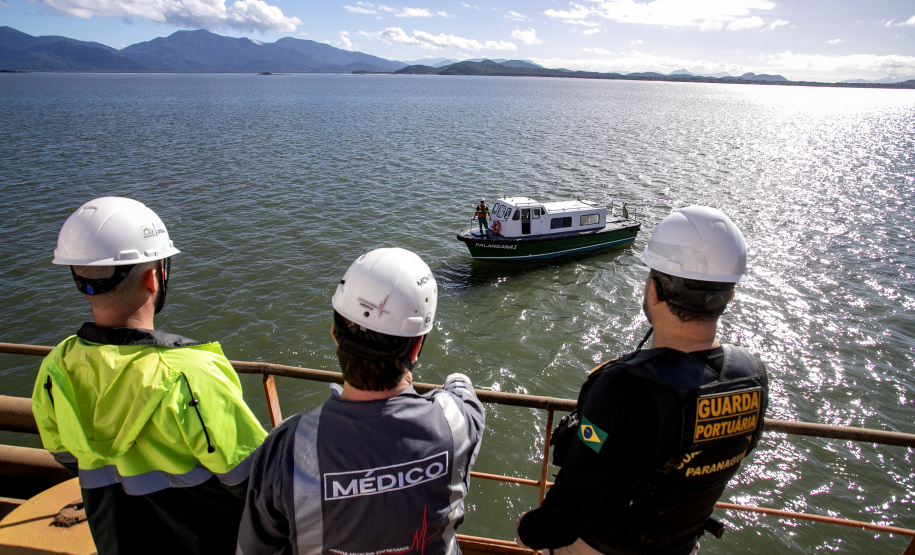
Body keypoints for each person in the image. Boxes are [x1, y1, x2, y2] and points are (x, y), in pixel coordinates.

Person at [516, 206, 769, 555]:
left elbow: (567, 515)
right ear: (729, 296)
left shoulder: (623, 387)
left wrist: (528, 530)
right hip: (681, 546)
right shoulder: (752, 374)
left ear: (653, 290)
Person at [31, 196, 267, 555]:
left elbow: (65, 455)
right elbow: (255, 480)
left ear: (79, 278)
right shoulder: (189, 374)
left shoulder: (56, 368)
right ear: (154, 278)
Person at [237, 247, 485, 555]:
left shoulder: (284, 450)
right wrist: (458, 379)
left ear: (333, 333)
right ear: (416, 348)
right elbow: (461, 393)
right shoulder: (458, 423)